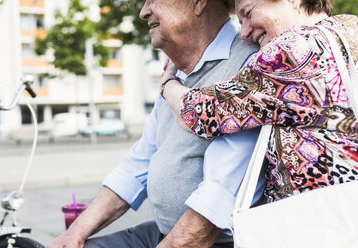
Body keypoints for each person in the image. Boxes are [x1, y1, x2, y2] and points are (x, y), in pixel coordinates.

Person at [47, 0, 261, 247]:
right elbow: (139, 163)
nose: (143, 12)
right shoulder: (176, 74)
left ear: (199, 2)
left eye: (152, 0)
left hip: (213, 241)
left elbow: (218, 200)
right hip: (164, 233)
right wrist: (75, 232)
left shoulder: (248, 65)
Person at [161, 0, 358, 203]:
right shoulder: (350, 28)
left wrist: (168, 83)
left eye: (248, 13)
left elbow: (199, 113)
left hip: (319, 219)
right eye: (240, 21)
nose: (244, 33)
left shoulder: (290, 51)